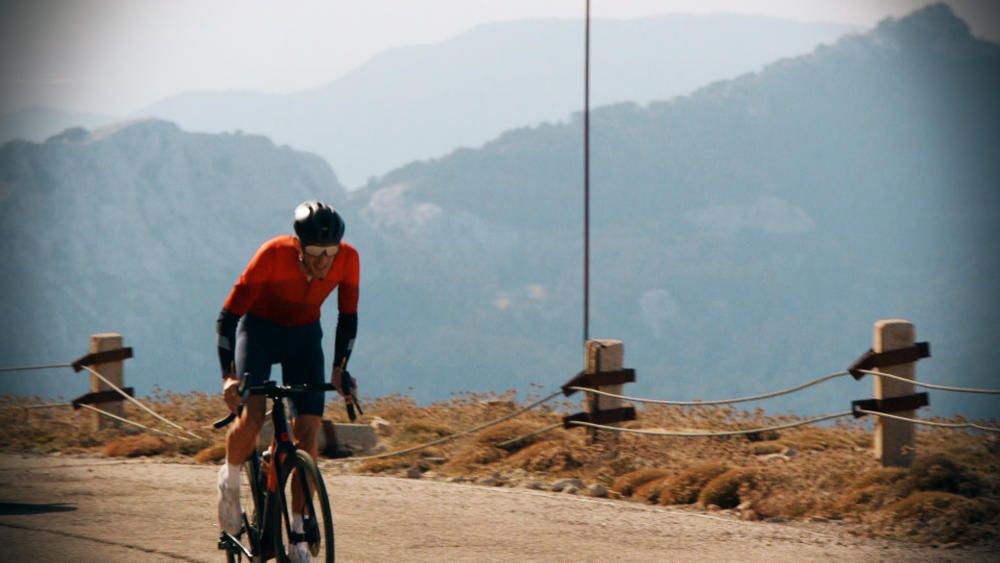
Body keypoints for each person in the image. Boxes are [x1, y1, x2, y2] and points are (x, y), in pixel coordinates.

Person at [215, 200, 359, 562]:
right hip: (259, 331)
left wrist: (340, 368)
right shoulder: (272, 256)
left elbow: (348, 317)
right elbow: (227, 318)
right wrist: (229, 376)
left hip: (305, 338)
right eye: (315, 252)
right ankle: (229, 483)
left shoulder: (349, 259)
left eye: (330, 252)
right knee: (251, 417)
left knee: (308, 432)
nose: (324, 261)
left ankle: (296, 532)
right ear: (298, 245)